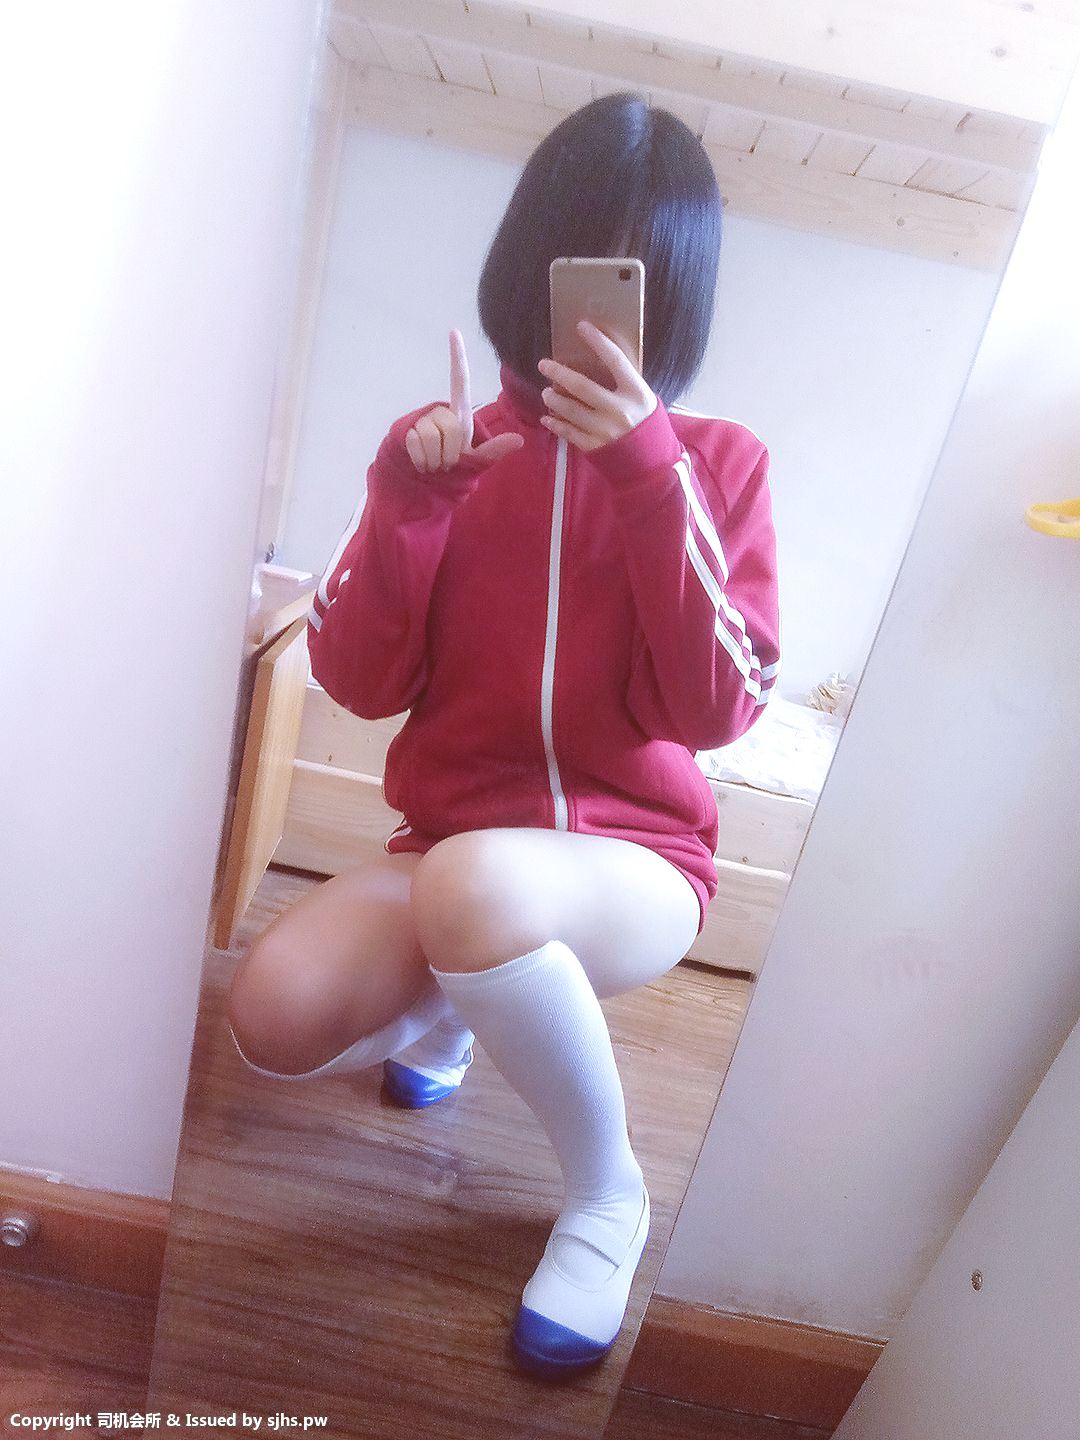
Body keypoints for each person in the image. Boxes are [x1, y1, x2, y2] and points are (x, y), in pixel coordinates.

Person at [227, 91, 781, 1380]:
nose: (585, 319)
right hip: (453, 856)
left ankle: (607, 1194)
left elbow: (723, 705)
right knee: (272, 1012)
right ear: (521, 266)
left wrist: (647, 476)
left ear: (675, 300)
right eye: (566, 266)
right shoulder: (450, 453)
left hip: (638, 867)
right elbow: (357, 680)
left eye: (628, 282)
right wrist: (404, 505)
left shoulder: (717, 464)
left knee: (476, 886)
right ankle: (460, 1012)